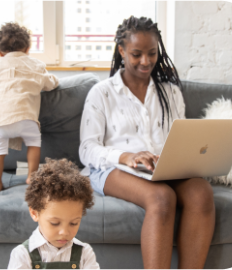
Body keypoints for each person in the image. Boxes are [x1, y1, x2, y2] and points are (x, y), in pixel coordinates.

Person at [79, 16, 215, 270]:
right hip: (113, 169)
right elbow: (87, 149)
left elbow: (180, 136)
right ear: (121, 51)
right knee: (162, 198)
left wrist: (179, 157)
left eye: (152, 53)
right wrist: (126, 156)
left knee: (201, 192)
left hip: (163, 168)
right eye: (136, 54)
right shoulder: (102, 93)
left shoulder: (170, 92)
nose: (146, 61)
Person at [0, 22, 59, 192]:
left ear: (0, 52)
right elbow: (50, 83)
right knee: (33, 142)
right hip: (25, 117)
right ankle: (31, 176)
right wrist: (54, 79)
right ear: (28, 48)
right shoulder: (36, 65)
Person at [8, 158, 100, 270]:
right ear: (34, 213)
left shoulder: (84, 253)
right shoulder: (23, 255)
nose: (64, 232)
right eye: (55, 223)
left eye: (73, 223)